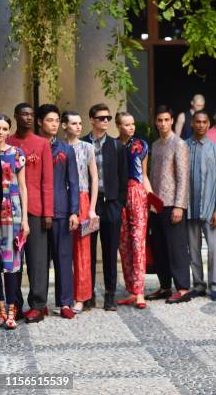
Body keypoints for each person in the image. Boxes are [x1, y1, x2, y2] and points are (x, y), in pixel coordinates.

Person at [8, 103, 53, 323]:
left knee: (37, 260)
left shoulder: (42, 144)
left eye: (30, 115)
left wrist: (48, 213)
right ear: (16, 116)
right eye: (23, 114)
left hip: (35, 210)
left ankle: (37, 304)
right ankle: (13, 304)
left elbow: (47, 181)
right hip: (9, 211)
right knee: (13, 260)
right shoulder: (7, 142)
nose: (27, 118)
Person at [81, 103, 128, 311]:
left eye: (108, 118)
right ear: (92, 119)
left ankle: (110, 296)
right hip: (88, 205)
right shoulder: (81, 144)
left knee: (110, 252)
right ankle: (88, 295)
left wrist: (119, 204)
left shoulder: (117, 146)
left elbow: (123, 177)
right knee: (87, 250)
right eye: (101, 118)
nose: (106, 121)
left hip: (110, 205)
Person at [146, 105, 191, 303]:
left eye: (166, 120)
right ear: (156, 122)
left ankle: (182, 288)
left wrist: (180, 206)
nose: (163, 123)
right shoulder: (155, 145)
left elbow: (183, 178)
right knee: (160, 248)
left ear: (172, 121)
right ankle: (165, 286)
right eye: (160, 120)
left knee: (176, 247)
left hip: (173, 204)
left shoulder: (179, 144)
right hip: (155, 205)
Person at [38, 104, 80, 319]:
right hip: (36, 211)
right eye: (49, 120)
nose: (54, 124)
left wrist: (74, 211)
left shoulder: (66, 149)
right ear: (39, 122)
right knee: (39, 260)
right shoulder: (33, 147)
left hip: (62, 211)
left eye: (56, 120)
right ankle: (39, 302)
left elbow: (73, 183)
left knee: (63, 258)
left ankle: (65, 302)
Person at [186, 110, 216, 301]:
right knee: (193, 249)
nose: (201, 125)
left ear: (208, 124)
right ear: (192, 123)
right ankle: (199, 284)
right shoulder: (183, 147)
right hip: (189, 208)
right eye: (197, 122)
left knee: (214, 249)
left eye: (204, 122)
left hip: (211, 209)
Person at [62, 111, 99, 314]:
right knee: (64, 249)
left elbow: (95, 178)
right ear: (64, 126)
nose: (78, 126)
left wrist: (92, 208)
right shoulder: (58, 147)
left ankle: (81, 297)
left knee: (83, 249)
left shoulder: (88, 148)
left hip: (84, 199)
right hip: (63, 199)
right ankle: (65, 296)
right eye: (73, 123)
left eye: (80, 123)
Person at [115, 112, 152, 309]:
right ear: (118, 125)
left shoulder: (141, 145)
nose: (131, 127)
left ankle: (139, 292)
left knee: (138, 242)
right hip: (118, 196)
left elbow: (144, 175)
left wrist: (151, 196)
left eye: (132, 124)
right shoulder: (111, 145)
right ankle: (131, 289)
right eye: (126, 124)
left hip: (137, 193)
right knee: (124, 243)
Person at [0, 114, 28, 329]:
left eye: (3, 128)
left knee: (11, 261)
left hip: (12, 210)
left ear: (9, 131)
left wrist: (25, 219)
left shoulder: (17, 154)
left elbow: (23, 187)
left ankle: (11, 309)